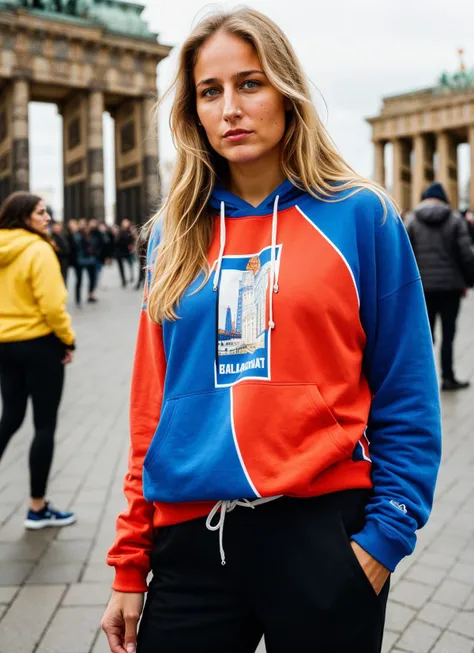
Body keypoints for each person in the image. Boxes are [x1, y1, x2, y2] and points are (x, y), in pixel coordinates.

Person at [102, 9, 441, 653]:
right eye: (210, 91)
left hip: (324, 536)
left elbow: (407, 390)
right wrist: (130, 561)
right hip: (193, 542)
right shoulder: (174, 236)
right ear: (193, 112)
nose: (230, 107)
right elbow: (151, 410)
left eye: (250, 83)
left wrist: (384, 539)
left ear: (286, 91)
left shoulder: (361, 216)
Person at [0, 192, 76, 529]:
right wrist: (67, 339)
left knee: (11, 417)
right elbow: (52, 306)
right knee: (44, 425)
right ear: (24, 216)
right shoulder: (39, 249)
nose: (47, 218)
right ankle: (37, 507)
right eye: (41, 212)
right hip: (39, 344)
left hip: (4, 344)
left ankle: (38, 505)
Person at [408, 182, 474, 391]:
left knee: (425, 337)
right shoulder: (455, 220)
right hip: (450, 287)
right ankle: (448, 377)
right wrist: (469, 280)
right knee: (448, 334)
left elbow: (404, 257)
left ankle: (422, 382)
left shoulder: (411, 221)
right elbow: (466, 254)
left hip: (422, 289)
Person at [70, 218, 98, 306]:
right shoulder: (77, 235)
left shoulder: (89, 235)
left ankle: (90, 294)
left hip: (89, 259)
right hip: (79, 260)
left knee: (92, 277)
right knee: (79, 280)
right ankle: (78, 299)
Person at [115, 219, 136, 287]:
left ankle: (131, 276)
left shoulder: (130, 231)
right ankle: (123, 280)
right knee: (121, 267)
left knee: (130, 264)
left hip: (127, 251)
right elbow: (116, 241)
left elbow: (132, 240)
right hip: (120, 251)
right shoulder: (120, 231)